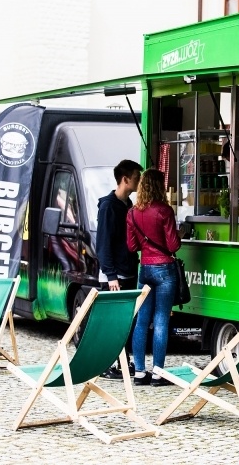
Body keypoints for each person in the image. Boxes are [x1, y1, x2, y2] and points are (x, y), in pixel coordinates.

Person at [127, 169, 182, 386]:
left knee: (142, 321)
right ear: (160, 186)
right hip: (165, 269)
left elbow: (131, 246)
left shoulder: (131, 213)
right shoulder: (164, 211)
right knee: (161, 321)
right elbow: (173, 245)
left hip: (145, 269)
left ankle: (140, 372)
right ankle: (158, 373)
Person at [96, 159, 142, 379]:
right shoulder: (108, 206)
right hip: (114, 276)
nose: (139, 181)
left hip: (129, 270)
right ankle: (105, 363)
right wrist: (111, 275)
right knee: (112, 321)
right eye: (136, 177)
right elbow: (103, 243)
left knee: (125, 322)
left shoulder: (129, 205)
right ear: (125, 179)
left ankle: (123, 362)